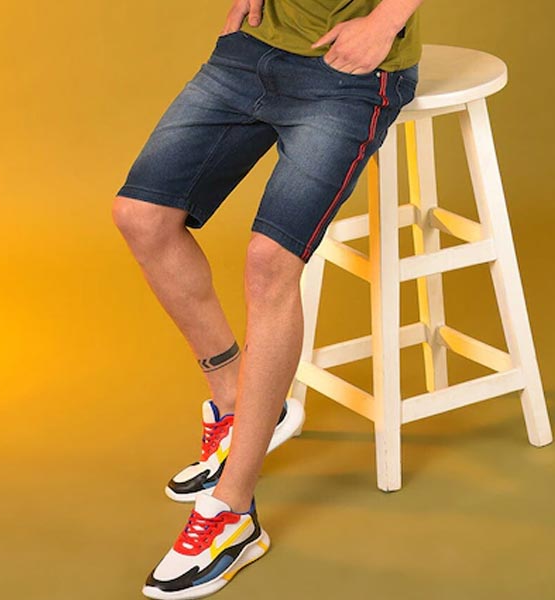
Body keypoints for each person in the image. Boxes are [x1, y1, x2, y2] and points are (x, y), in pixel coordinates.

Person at [112, 0, 422, 597]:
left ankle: (233, 512)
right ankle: (239, 402)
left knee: (270, 262)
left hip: (349, 74)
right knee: (141, 217)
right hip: (253, 51)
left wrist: (385, 23)